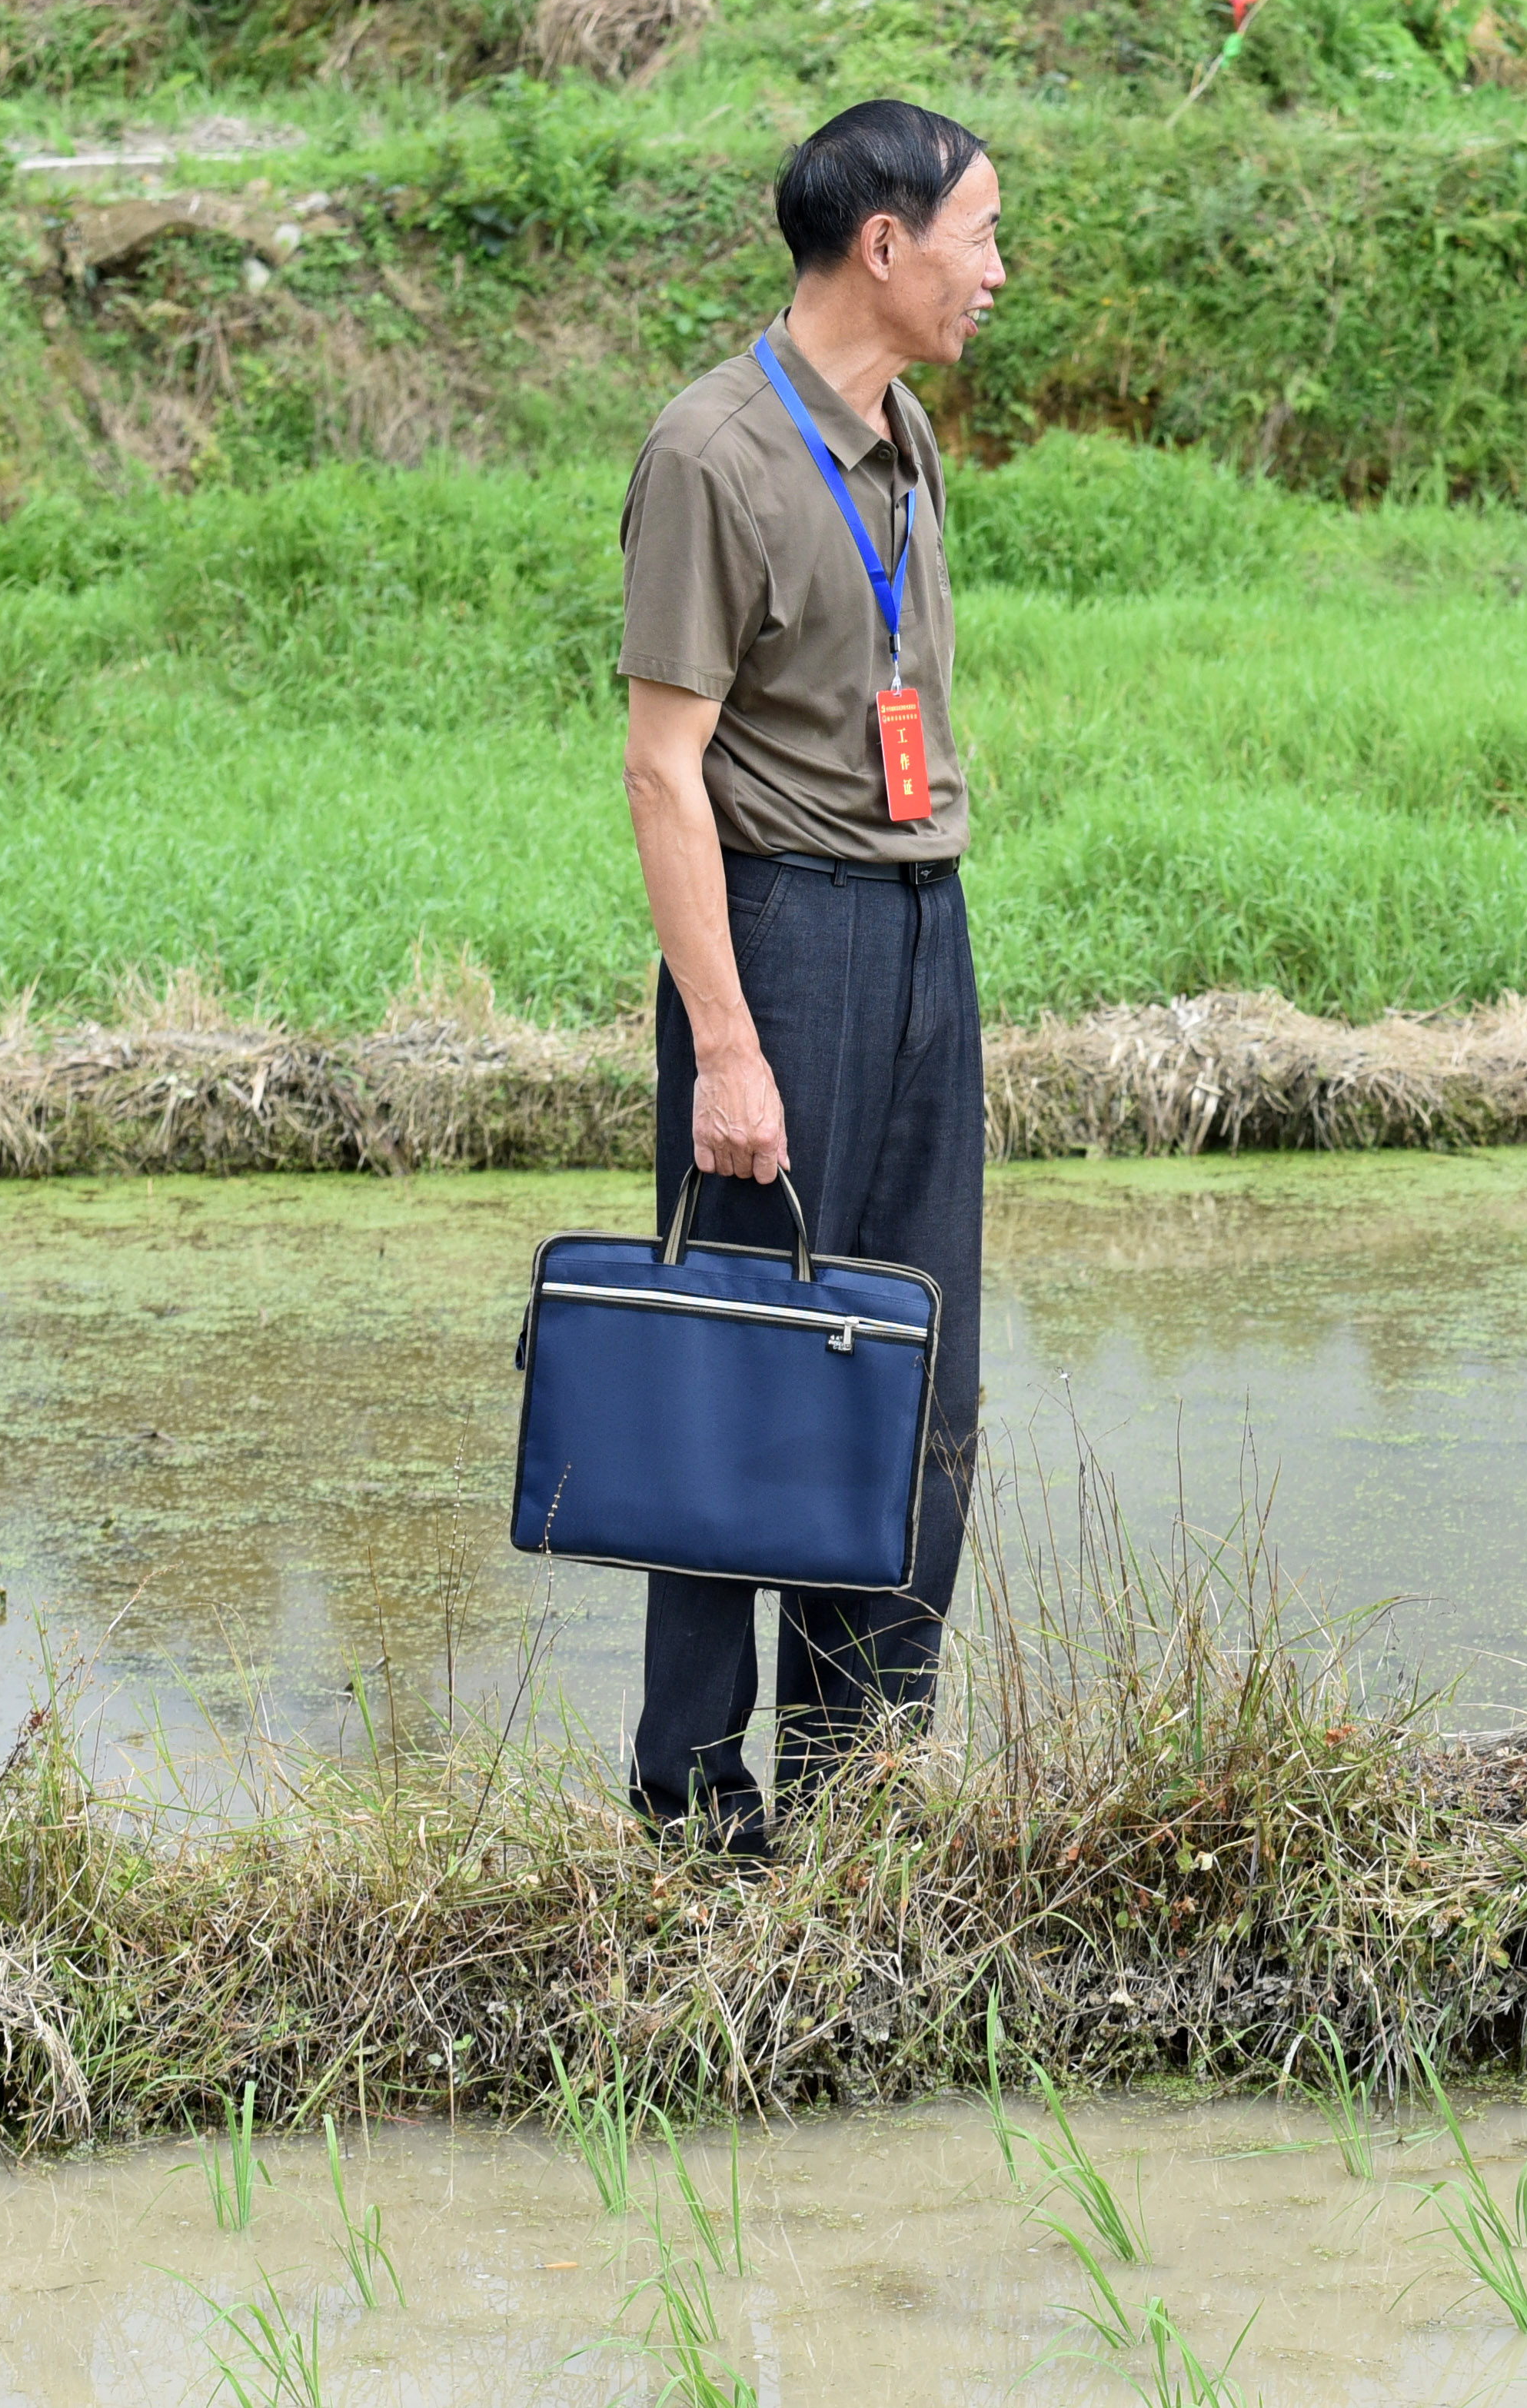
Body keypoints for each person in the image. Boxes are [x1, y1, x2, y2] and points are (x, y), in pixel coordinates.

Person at [613, 100, 1007, 1854]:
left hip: (926, 922)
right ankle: (696, 1801)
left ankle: (865, 1782)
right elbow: (661, 765)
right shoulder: (714, 454)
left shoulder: (902, 427)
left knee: (916, 1360)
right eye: (980, 236)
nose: (999, 271)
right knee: (747, 1361)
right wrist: (727, 1044)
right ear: (884, 244)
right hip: (784, 936)